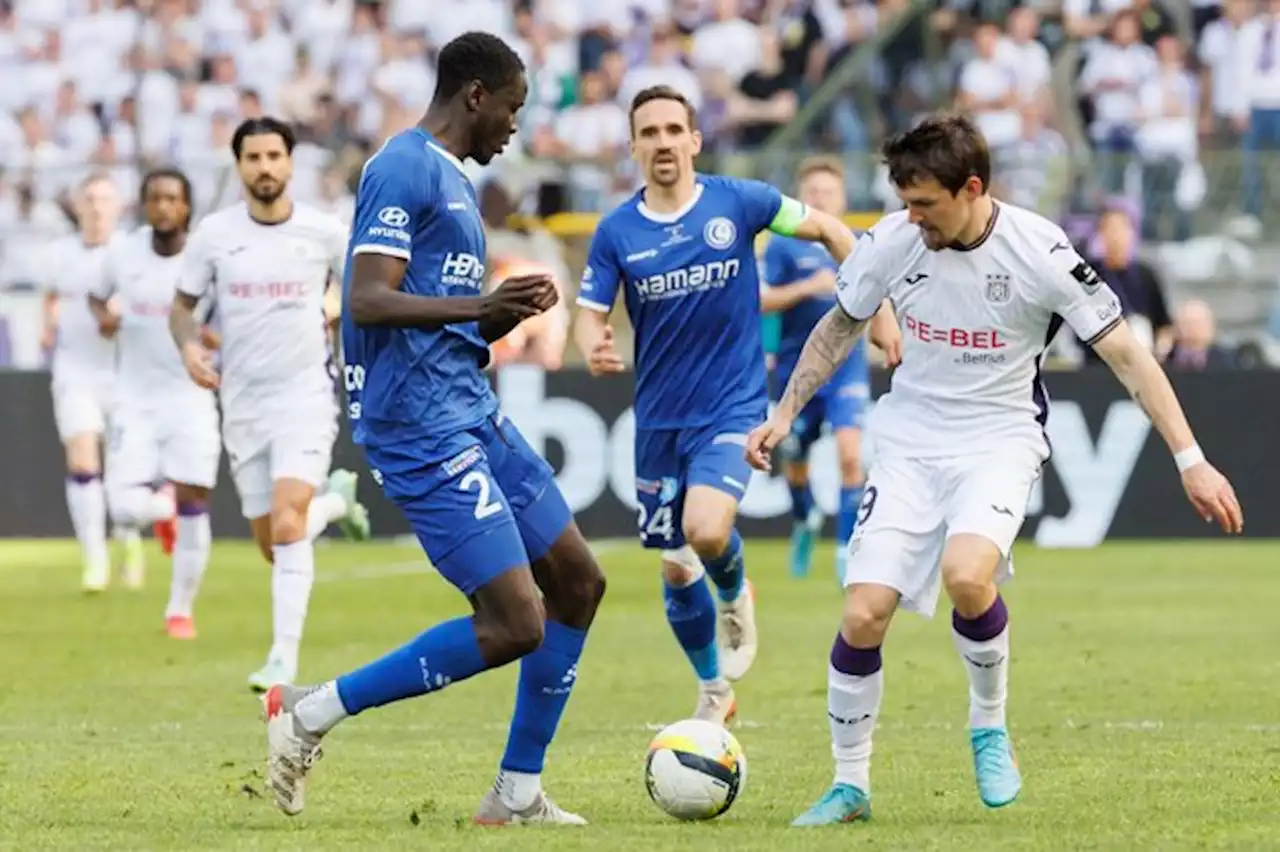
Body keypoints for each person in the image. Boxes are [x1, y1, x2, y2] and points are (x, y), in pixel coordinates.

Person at [745, 113, 1243, 826]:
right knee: (862, 613)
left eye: (925, 205)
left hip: (999, 438)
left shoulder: (1040, 250)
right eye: (905, 203)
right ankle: (850, 785)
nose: (912, 219)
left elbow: (1129, 357)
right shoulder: (891, 242)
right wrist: (786, 412)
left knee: (967, 575)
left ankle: (988, 725)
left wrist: (1190, 460)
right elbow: (838, 328)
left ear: (972, 188)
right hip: (911, 439)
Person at [259, 32, 607, 826]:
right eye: (513, 108)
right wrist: (481, 306)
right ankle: (309, 713)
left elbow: (441, 326)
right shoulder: (403, 166)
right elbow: (367, 299)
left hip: (472, 410)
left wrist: (499, 318)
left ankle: (517, 792)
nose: (516, 127)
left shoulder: (457, 187)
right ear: (476, 96)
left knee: (579, 583)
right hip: (419, 429)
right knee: (516, 621)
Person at [572, 84, 897, 724]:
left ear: (694, 140)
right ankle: (713, 689)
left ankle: (732, 588)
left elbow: (832, 228)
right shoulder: (617, 233)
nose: (663, 142)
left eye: (674, 129)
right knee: (672, 569)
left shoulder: (740, 203)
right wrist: (593, 346)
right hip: (661, 418)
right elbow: (588, 313)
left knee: (706, 530)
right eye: (650, 132)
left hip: (733, 406)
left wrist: (878, 309)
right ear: (634, 147)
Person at [171, 117, 371, 690]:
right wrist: (188, 346)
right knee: (273, 542)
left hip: (304, 396)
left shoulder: (324, 232)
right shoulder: (214, 234)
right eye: (253, 157)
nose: (264, 167)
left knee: (287, 527)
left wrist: (336, 309)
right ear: (239, 166)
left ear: (290, 163)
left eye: (273, 156)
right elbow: (182, 306)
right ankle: (334, 504)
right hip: (242, 403)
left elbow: (362, 292)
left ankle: (282, 659)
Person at [88, 168, 219, 639]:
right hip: (133, 397)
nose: (163, 206)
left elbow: (225, 319)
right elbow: (96, 296)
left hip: (190, 395)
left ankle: (179, 611)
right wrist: (104, 319)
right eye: (155, 198)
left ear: (186, 207)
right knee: (122, 508)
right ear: (145, 205)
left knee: (195, 498)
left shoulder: (205, 257)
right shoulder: (123, 253)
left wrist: (214, 340)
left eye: (172, 199)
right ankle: (161, 508)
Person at [760, 156, 899, 581]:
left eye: (828, 192)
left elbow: (881, 299)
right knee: (793, 459)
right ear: (802, 198)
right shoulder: (783, 246)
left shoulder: (859, 244)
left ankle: (845, 553)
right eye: (813, 192)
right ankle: (805, 519)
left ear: (841, 199)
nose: (820, 198)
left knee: (851, 456)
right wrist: (807, 289)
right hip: (795, 371)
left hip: (845, 371)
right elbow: (762, 300)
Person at [42, 173, 149, 592]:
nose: (98, 207)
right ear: (78, 205)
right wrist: (46, 326)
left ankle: (130, 537)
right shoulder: (58, 254)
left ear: (118, 205)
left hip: (124, 372)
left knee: (124, 473)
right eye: (90, 199)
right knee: (84, 461)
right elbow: (51, 296)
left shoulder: (129, 252)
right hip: (75, 370)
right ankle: (95, 559)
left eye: (105, 199)